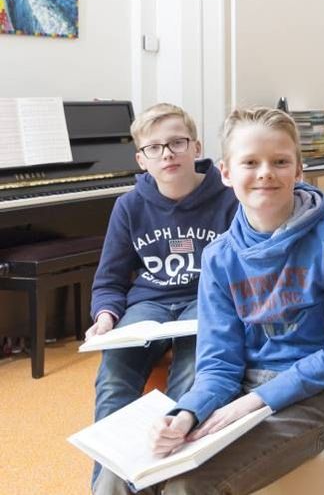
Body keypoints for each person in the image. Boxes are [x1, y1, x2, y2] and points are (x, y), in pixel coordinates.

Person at [93, 107, 324, 494]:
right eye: (250, 162)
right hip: (240, 386)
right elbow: (219, 362)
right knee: (120, 477)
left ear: (299, 170)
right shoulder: (219, 256)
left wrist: (255, 401)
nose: (265, 173)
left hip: (320, 395)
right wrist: (187, 412)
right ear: (226, 172)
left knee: (185, 486)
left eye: (279, 161)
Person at [86, 103, 238, 488]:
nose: (167, 153)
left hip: (204, 302)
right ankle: (109, 483)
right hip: (148, 305)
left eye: (177, 142)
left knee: (189, 378)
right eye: (155, 148)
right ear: (141, 159)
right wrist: (105, 316)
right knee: (113, 378)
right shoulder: (129, 206)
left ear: (197, 147)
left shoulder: (229, 199)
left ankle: (168, 480)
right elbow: (110, 280)